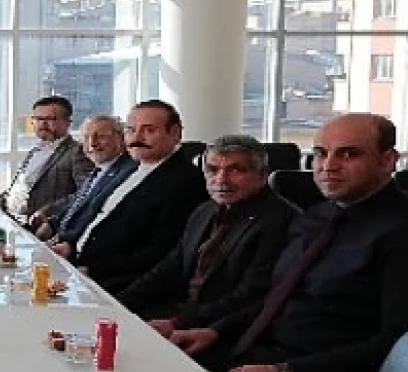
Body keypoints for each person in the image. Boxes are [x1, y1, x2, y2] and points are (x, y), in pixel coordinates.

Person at [170, 114, 408, 372]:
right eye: (320, 153)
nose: (328, 166)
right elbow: (278, 296)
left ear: (387, 161)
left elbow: (396, 343)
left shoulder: (399, 232)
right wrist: (216, 331)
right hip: (260, 354)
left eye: (348, 154)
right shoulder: (316, 217)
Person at [118, 135, 297, 337]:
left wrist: (178, 322)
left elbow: (250, 295)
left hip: (222, 327)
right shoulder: (204, 210)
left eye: (235, 170)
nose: (221, 179)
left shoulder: (282, 221)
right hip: (179, 309)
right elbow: (170, 267)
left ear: (262, 174)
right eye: (212, 170)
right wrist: (120, 301)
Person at [56, 99, 207, 294]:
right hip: (77, 263)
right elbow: (99, 215)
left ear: (175, 133)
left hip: (115, 283)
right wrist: (71, 246)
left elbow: (162, 251)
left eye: (149, 130)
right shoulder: (130, 167)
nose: (137, 138)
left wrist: (94, 270)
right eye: (131, 130)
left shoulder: (185, 181)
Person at [32, 115, 136, 243]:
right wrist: (52, 224)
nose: (92, 143)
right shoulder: (100, 168)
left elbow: (93, 214)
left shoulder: (127, 172)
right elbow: (79, 203)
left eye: (101, 136)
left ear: (121, 138)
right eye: (86, 138)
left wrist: (64, 240)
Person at [0, 96, 94, 218]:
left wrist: (48, 212)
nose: (43, 124)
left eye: (50, 119)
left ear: (67, 123)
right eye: (38, 119)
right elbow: (23, 186)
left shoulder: (77, 152)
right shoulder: (34, 151)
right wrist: (1, 199)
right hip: (9, 216)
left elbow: (86, 193)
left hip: (39, 223)